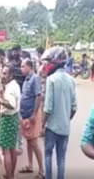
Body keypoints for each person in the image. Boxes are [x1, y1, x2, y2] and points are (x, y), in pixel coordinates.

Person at [42, 47, 77, 179]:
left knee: (48, 154)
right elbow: (74, 107)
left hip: (51, 127)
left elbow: (48, 107)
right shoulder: (71, 80)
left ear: (54, 63)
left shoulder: (51, 80)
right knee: (61, 158)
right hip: (64, 127)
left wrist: (42, 125)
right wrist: (66, 119)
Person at [19, 59, 45, 178]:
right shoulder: (26, 79)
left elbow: (38, 96)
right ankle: (30, 165)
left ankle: (42, 171)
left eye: (23, 66)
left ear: (29, 67)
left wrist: (34, 114)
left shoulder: (34, 79)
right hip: (26, 115)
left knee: (34, 142)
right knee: (29, 141)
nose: (21, 68)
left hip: (32, 115)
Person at [0, 65, 21, 179]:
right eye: (2, 73)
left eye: (5, 73)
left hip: (8, 119)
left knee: (6, 150)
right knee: (12, 149)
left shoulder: (10, 88)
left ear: (11, 75)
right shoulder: (14, 85)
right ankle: (10, 174)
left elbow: (11, 104)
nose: (3, 75)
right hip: (13, 118)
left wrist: (1, 99)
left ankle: (9, 175)